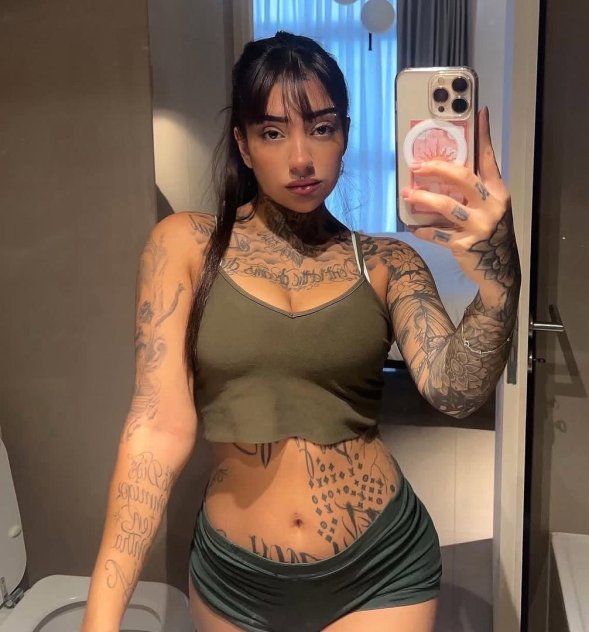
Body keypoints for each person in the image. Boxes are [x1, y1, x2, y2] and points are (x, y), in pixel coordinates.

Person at [81, 31, 520, 632]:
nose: (301, 159)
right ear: (242, 143)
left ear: (345, 134)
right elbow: (155, 430)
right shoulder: (184, 245)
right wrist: (100, 618)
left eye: (321, 127)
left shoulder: (389, 262)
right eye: (272, 132)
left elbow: (456, 391)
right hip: (237, 581)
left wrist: (498, 279)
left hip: (382, 569)